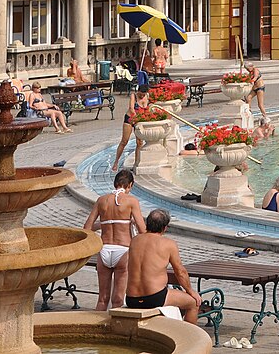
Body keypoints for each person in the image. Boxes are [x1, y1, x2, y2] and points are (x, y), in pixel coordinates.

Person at [84, 169, 146, 311]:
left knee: (102, 299)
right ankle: (115, 331)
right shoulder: (131, 201)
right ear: (130, 185)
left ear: (115, 183)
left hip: (104, 250)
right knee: (118, 299)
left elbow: (87, 227)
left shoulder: (101, 200)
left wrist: (105, 223)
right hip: (123, 250)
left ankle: (96, 331)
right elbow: (142, 230)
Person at [124, 209, 200, 323]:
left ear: (147, 223)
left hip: (131, 299)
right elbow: (180, 272)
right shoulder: (168, 244)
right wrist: (191, 291)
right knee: (193, 303)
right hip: (154, 297)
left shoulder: (135, 241)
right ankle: (189, 337)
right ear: (165, 228)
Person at [112, 85, 151, 171]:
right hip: (130, 119)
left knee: (139, 142)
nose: (142, 96)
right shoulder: (133, 96)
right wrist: (139, 118)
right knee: (124, 141)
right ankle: (116, 162)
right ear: (138, 91)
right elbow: (132, 109)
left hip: (140, 121)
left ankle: (136, 163)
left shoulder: (147, 96)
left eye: (143, 95)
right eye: (140, 94)